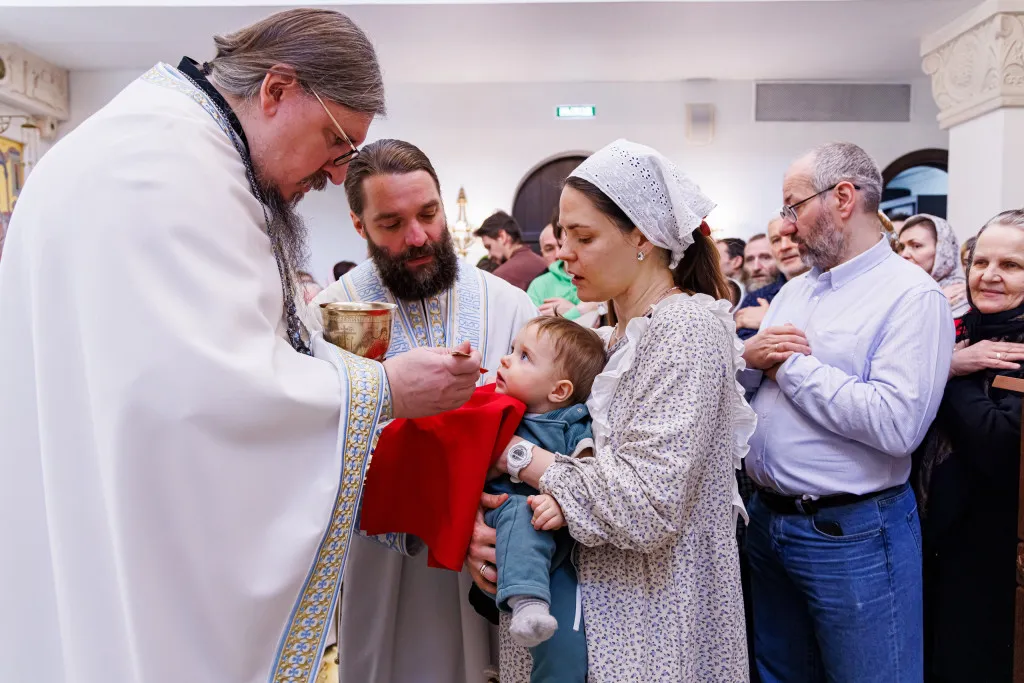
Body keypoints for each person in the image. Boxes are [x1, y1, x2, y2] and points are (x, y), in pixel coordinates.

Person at [0, 10, 485, 683]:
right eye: (335, 142)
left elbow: (230, 354)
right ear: (277, 90)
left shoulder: (172, 146)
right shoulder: (166, 170)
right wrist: (387, 388)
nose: (332, 171)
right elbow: (212, 394)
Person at [469, 139, 753, 682]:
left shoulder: (683, 330)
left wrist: (519, 458)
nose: (563, 253)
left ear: (641, 237)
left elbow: (648, 503)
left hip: (649, 616)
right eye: (563, 235)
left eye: (584, 237)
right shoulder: (612, 333)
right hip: (602, 606)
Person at [312, 139, 537, 683]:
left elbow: (544, 420)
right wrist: (438, 521)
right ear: (358, 224)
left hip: (498, 555)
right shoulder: (328, 316)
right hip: (390, 566)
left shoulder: (507, 303)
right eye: (391, 222)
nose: (417, 237)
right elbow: (323, 449)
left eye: (428, 214)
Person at [742, 142, 954, 682]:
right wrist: (749, 360)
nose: (786, 227)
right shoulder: (796, 292)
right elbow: (762, 381)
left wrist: (787, 368)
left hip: (852, 534)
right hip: (771, 523)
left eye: (794, 207)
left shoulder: (911, 296)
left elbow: (895, 423)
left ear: (842, 198)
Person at [916, 209, 1024, 683]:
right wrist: (953, 362)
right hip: (935, 547)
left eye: (1012, 266)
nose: (990, 276)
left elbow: (1001, 448)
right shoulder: (957, 333)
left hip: (993, 561)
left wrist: (951, 374)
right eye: (981, 262)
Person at [481, 316, 605, 681]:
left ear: (559, 391)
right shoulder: (495, 411)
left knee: (565, 649)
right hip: (503, 536)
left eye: (523, 357)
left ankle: (535, 614)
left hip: (558, 553)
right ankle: (527, 602)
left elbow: (584, 478)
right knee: (519, 510)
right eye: (511, 350)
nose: (505, 359)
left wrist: (562, 502)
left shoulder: (572, 424)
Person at [734, 217, 809, 340]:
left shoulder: (835, 285)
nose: (784, 246)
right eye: (776, 240)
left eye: (793, 236)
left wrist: (769, 320)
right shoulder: (757, 298)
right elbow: (751, 353)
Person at [898, 213, 969, 317]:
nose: (904, 254)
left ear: (942, 249)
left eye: (916, 246)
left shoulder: (961, 296)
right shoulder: (901, 288)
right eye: (901, 247)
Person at [475, 211, 549, 290]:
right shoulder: (544, 264)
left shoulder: (501, 276)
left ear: (502, 236)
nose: (489, 255)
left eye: (489, 247)